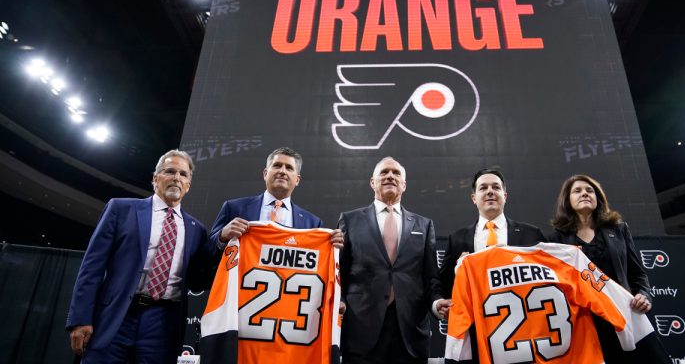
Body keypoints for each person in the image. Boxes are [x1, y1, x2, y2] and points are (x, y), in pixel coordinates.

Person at [66, 149, 215, 363]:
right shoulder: (121, 208)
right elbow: (92, 268)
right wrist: (80, 319)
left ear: (188, 185)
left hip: (163, 322)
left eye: (183, 174)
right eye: (169, 171)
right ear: (155, 178)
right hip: (116, 316)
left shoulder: (196, 229)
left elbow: (197, 279)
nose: (176, 178)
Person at [547, 174, 671, 364]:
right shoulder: (556, 239)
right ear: (567, 200)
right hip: (585, 323)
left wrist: (644, 295)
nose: (585, 194)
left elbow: (637, 274)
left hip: (624, 315)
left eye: (590, 190)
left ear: (598, 197)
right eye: (577, 191)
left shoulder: (619, 229)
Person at [338, 157, 450, 364]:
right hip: (361, 330)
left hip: (410, 333)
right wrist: (340, 301)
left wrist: (436, 304)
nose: (390, 176)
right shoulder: (350, 220)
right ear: (372, 182)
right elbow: (339, 273)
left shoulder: (424, 225)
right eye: (384, 172)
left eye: (396, 173)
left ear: (404, 185)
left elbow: (430, 277)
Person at [439, 168, 545, 297]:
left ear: (505, 196)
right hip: (476, 313)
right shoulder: (456, 239)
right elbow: (445, 285)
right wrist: (460, 271)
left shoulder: (532, 234)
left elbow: (548, 275)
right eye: (483, 188)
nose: (490, 191)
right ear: (474, 198)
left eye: (496, 187)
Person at [210, 147, 342, 248]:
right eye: (277, 165)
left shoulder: (312, 223)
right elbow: (204, 255)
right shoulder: (233, 208)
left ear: (297, 180)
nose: (282, 171)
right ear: (265, 174)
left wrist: (332, 247)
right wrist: (221, 237)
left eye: (289, 168)